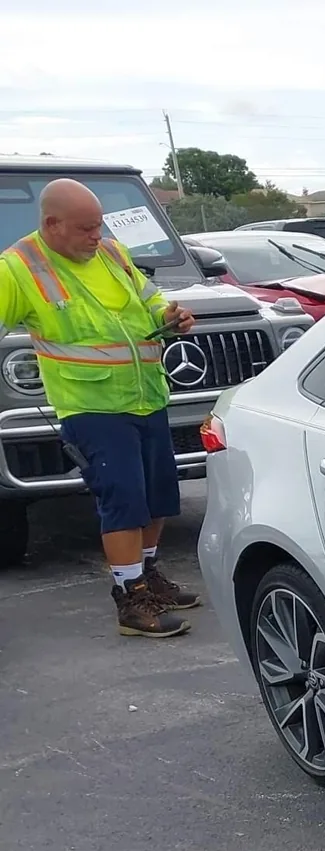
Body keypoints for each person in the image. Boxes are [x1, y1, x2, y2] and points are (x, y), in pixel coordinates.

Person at [0, 178, 201, 636]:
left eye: (99, 226)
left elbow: (149, 300)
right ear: (52, 224)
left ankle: (147, 576)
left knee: (158, 495)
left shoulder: (112, 253)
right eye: (85, 228)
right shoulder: (17, 268)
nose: (96, 236)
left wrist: (169, 316)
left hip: (147, 395)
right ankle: (131, 600)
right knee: (123, 500)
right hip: (90, 406)